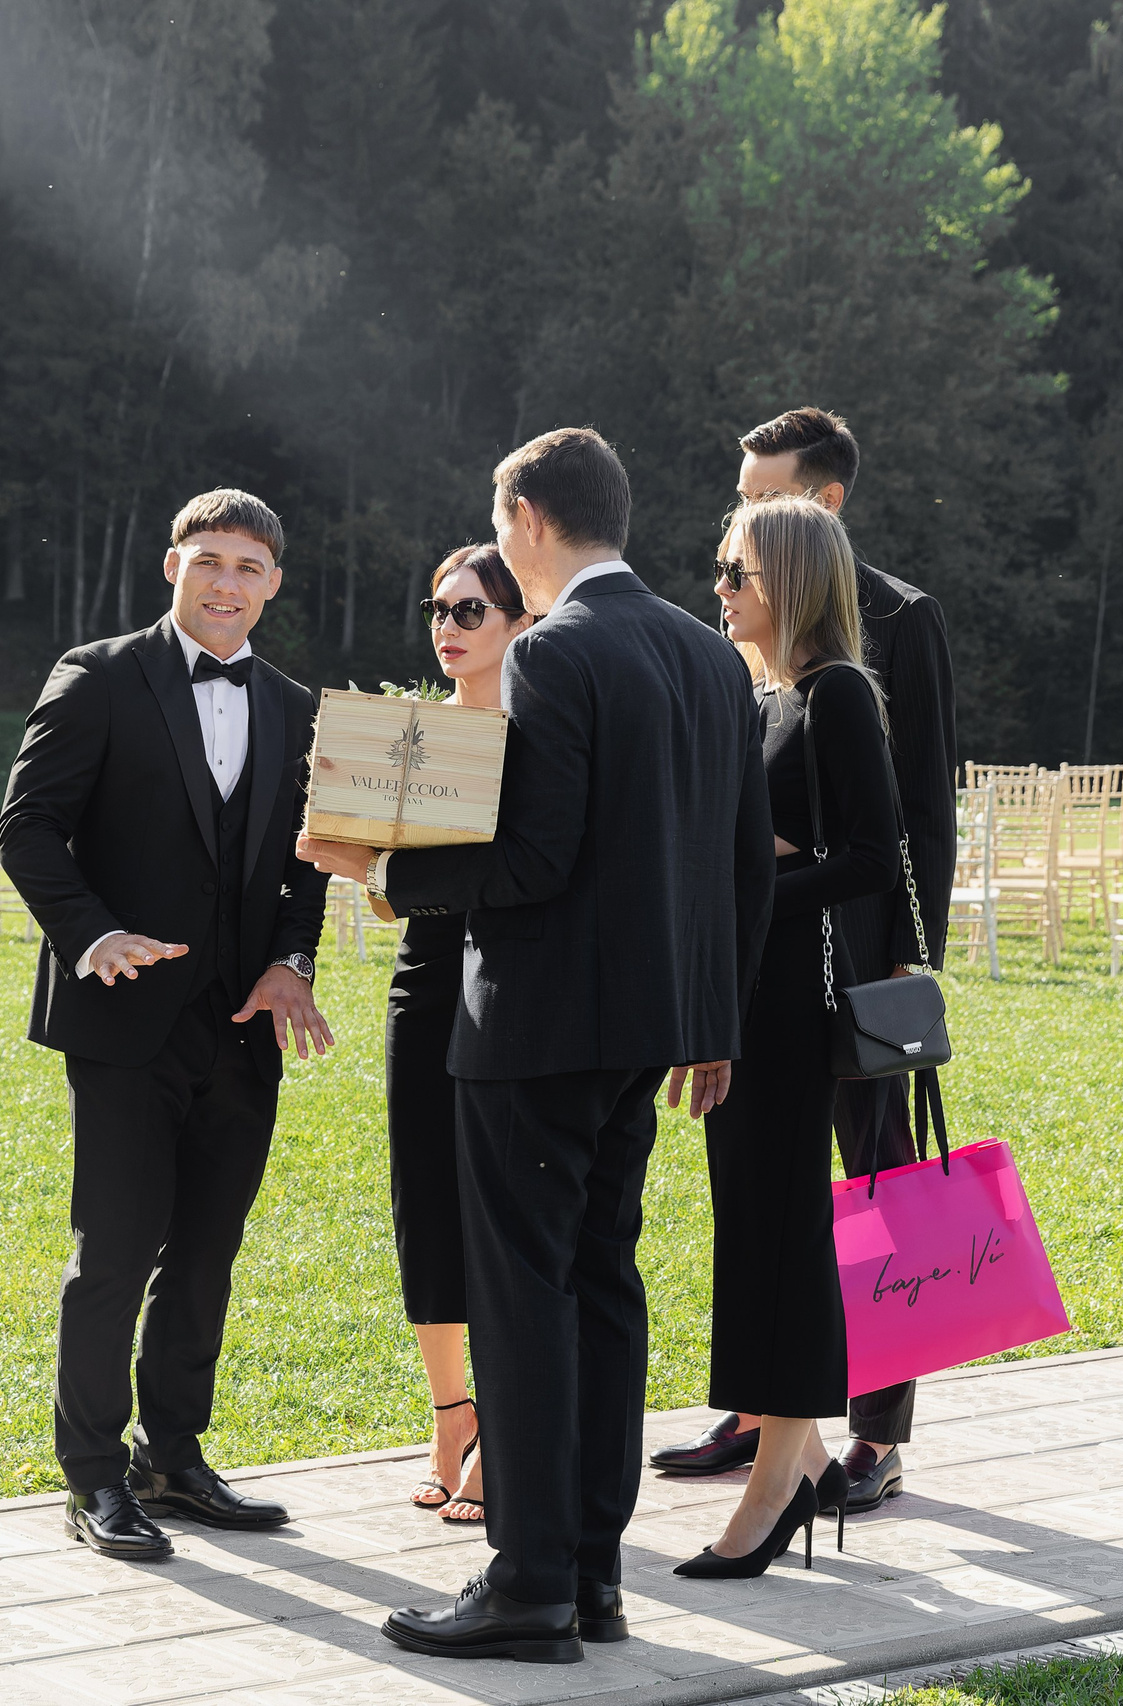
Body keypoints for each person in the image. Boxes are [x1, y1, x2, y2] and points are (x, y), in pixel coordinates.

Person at [299, 428, 775, 1663]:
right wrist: (710, 1019)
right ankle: (589, 1575)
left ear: (522, 517)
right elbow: (739, 870)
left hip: (537, 1027)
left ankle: (524, 1582)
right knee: (604, 1289)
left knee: (523, 1299)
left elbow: (532, 859)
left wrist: (385, 872)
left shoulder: (556, 650)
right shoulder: (705, 654)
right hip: (647, 1034)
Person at [0, 488, 336, 1562]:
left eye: (247, 564)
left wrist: (292, 960)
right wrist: (88, 934)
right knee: (112, 1253)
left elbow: (303, 863)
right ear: (170, 566)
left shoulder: (293, 703)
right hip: (121, 1022)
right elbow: (29, 827)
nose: (226, 582)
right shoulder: (96, 675)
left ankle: (173, 1456)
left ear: (274, 581)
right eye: (207, 561)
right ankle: (93, 1476)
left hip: (241, 1027)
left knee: (205, 1253)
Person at [650, 408, 958, 1516]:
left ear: (812, 507)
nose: (732, 525)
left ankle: (875, 1429)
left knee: (876, 1194)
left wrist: (903, 958)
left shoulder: (893, 632)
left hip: (856, 964)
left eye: (753, 499)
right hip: (772, 964)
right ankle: (769, 1414)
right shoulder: (748, 652)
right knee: (772, 1199)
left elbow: (914, 812)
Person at [674, 494, 898, 1579]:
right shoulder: (763, 699)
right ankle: (796, 1457)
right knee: (752, 1231)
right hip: (741, 1001)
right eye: (721, 569)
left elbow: (869, 859)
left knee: (784, 1235)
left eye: (735, 573)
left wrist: (758, 872)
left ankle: (772, 1491)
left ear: (791, 581)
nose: (718, 588)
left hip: (794, 1006)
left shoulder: (840, 694)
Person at [388, 544, 534, 1525]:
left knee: (500, 1215)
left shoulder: (542, 731)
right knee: (424, 1206)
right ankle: (451, 1415)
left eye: (470, 609)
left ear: (521, 621)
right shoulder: (409, 734)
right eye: (438, 608)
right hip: (423, 982)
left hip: (520, 989)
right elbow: (379, 883)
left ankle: (507, 1434)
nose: (448, 625)